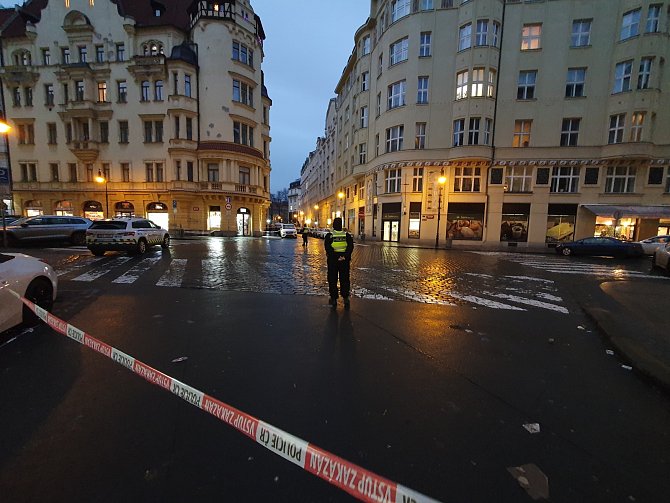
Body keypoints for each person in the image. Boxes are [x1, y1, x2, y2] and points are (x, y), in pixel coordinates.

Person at [324, 217, 354, 309]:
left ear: (333, 225)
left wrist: (336, 257)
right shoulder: (347, 235)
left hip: (333, 261)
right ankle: (346, 298)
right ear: (341, 225)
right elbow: (350, 247)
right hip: (344, 261)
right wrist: (344, 256)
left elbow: (328, 248)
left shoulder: (330, 235)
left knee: (332, 279)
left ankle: (333, 299)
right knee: (345, 279)